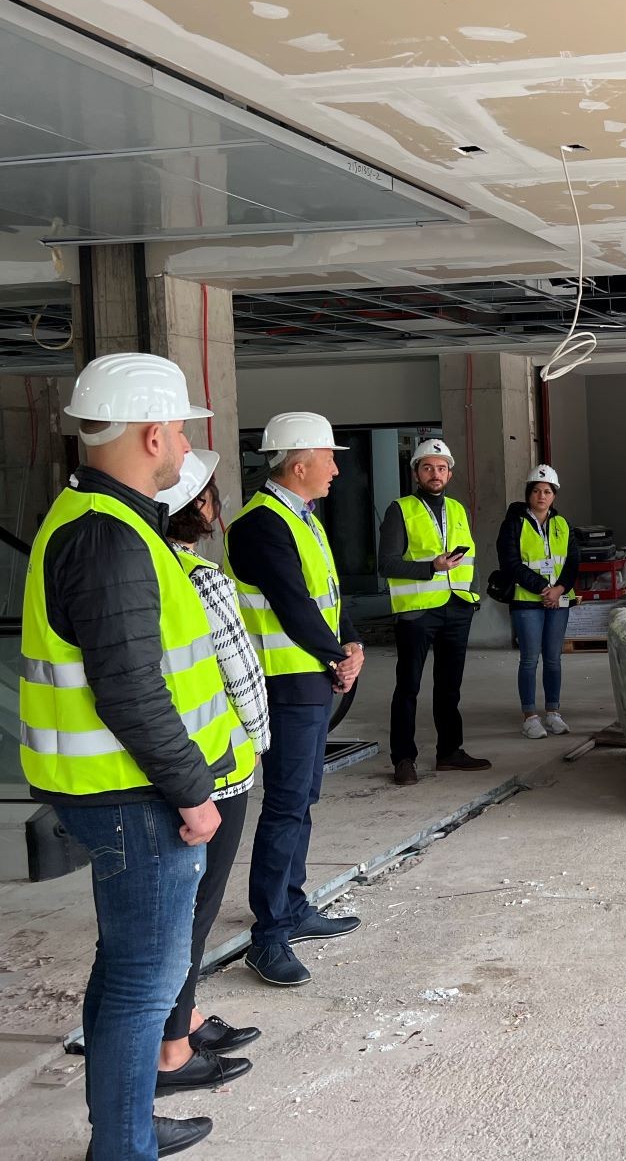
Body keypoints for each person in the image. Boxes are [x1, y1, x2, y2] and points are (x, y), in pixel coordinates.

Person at [22, 353, 236, 1158]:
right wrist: (194, 793)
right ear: (151, 434)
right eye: (179, 430)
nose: (183, 446)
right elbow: (130, 690)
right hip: (135, 797)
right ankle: (123, 1146)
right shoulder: (110, 538)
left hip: (116, 791)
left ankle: (124, 1130)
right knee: (145, 983)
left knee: (125, 973)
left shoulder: (98, 519)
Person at [226, 412, 365, 987]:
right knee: (285, 805)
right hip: (284, 684)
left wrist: (350, 643)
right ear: (299, 463)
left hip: (310, 679)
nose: (336, 469)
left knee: (302, 798)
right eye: (329, 458)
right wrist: (336, 656)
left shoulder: (301, 517)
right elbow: (291, 604)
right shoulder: (260, 525)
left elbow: (328, 593)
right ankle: (269, 935)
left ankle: (292, 904)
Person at [153, 450, 266, 1096]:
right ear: (201, 507)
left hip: (168, 763)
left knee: (181, 907)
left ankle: (186, 1017)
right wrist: (261, 740)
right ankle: (172, 1048)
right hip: (217, 768)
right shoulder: (201, 577)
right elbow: (240, 675)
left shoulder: (148, 565)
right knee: (196, 909)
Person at [380, 438, 490, 783]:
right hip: (417, 611)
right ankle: (403, 759)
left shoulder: (457, 509)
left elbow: (469, 558)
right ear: (416, 473)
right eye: (427, 467)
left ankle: (449, 752)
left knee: (449, 687)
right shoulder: (400, 509)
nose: (435, 473)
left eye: (441, 468)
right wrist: (432, 567)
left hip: (456, 608)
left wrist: (471, 596)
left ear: (450, 474)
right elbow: (387, 563)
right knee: (408, 686)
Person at [495, 464, 579, 740]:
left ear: (554, 495)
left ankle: (553, 712)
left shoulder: (562, 524)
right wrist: (544, 588)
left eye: (547, 491)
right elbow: (510, 563)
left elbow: (572, 562)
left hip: (558, 601)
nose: (542, 496)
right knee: (530, 659)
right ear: (528, 494)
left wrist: (560, 589)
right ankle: (530, 716)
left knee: (553, 659)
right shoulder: (514, 524)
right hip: (527, 602)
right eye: (536, 491)